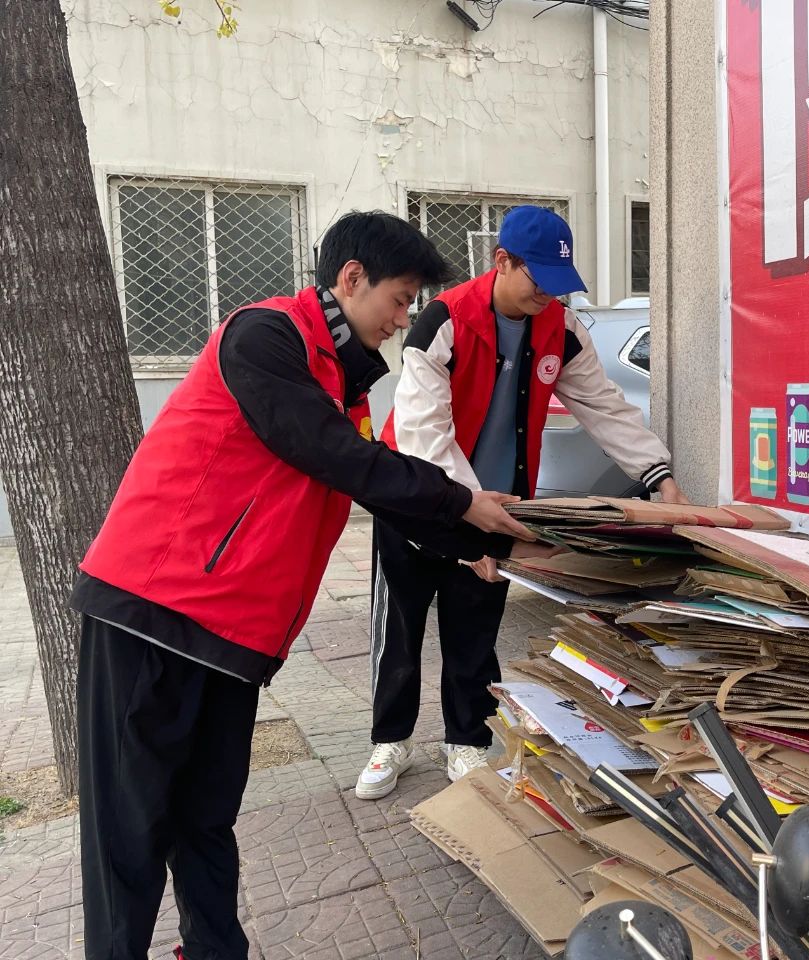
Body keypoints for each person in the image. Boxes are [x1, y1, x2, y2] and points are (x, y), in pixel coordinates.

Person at [71, 211, 537, 960]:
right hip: (151, 611)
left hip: (231, 636)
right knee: (129, 831)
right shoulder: (264, 337)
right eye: (400, 299)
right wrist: (461, 500)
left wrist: (479, 544)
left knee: (207, 815)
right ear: (351, 278)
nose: (403, 320)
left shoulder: (341, 384)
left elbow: (372, 484)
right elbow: (332, 456)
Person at [356, 205, 688, 797]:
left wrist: (659, 475)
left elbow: (605, 408)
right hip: (416, 497)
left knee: (475, 629)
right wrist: (466, 525)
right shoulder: (444, 319)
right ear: (502, 261)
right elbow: (424, 433)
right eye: (539, 280)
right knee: (398, 632)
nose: (547, 296)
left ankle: (466, 740)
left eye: (559, 285)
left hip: (499, 507)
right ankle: (390, 740)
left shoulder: (560, 328)